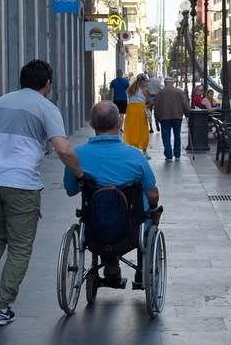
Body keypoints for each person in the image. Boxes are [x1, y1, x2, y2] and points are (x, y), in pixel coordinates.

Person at [0, 60, 84, 326]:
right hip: (22, 184)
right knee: (20, 248)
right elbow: (63, 149)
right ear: (48, 83)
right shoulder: (47, 107)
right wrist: (80, 175)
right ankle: (2, 307)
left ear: (21, 80)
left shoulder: (0, 103)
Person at [63, 101, 160, 285]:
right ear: (120, 122)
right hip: (130, 227)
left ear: (91, 124)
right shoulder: (135, 156)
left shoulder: (77, 155)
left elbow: (71, 190)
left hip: (94, 225)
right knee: (148, 212)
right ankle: (141, 272)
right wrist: (153, 206)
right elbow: (152, 193)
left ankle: (111, 268)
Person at [154, 77, 190, 161]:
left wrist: (157, 117)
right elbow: (185, 104)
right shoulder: (179, 92)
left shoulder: (160, 93)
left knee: (166, 136)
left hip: (164, 117)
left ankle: (168, 155)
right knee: (177, 135)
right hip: (177, 116)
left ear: (165, 83)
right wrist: (187, 113)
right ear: (173, 83)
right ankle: (177, 154)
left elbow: (157, 106)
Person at [124, 74, 151, 158]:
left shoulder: (130, 89)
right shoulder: (143, 89)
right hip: (140, 110)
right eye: (145, 81)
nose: (146, 83)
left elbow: (128, 99)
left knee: (131, 129)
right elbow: (148, 100)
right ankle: (144, 151)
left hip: (130, 110)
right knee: (143, 130)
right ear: (142, 81)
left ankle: (133, 149)